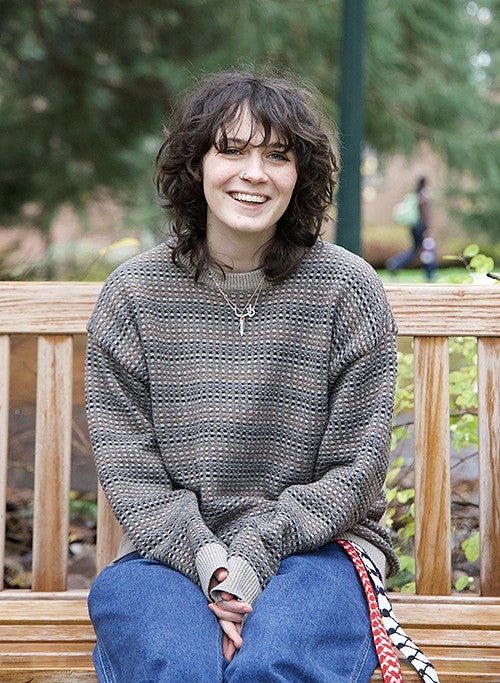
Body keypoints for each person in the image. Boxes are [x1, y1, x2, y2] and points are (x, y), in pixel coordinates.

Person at [85, 70, 436, 683]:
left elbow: (353, 471)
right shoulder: (135, 296)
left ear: (301, 175)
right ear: (195, 165)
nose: (255, 173)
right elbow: (131, 470)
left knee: (273, 665)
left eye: (278, 155)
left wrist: (255, 553)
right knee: (178, 665)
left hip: (318, 551)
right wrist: (211, 563)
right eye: (232, 150)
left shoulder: (347, 290)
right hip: (170, 555)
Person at [387, 176, 437, 280]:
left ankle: (396, 263)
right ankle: (429, 274)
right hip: (421, 227)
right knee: (426, 250)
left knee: (418, 250)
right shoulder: (423, 196)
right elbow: (425, 214)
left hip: (414, 227)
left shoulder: (415, 194)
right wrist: (427, 229)